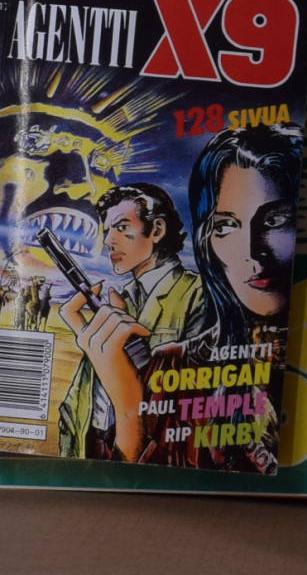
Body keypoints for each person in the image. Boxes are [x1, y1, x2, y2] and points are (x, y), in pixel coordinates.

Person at [62, 124, 302, 470]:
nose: (251, 252)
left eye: (275, 220)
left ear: (157, 230)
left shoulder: (195, 297)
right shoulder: (148, 336)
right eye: (225, 225)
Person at [56, 184, 205, 459]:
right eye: (107, 231)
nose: (109, 242)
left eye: (122, 227)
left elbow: (195, 407)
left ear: (157, 230)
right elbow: (80, 402)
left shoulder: (198, 294)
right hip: (94, 449)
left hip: (150, 454)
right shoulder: (119, 302)